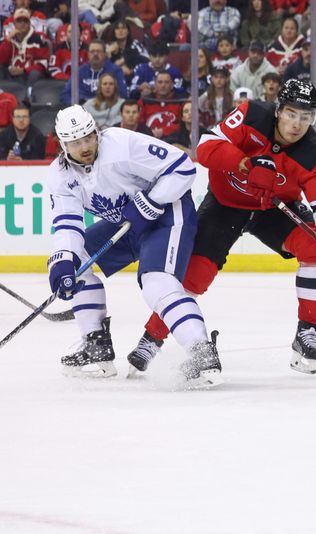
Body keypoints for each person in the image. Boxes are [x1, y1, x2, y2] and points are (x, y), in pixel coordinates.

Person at [127, 79, 316, 376]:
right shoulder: (252, 114)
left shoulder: (314, 154)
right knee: (195, 276)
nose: (297, 124)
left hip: (273, 210)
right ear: (278, 110)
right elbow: (206, 147)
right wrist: (246, 165)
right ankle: (151, 339)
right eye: (291, 114)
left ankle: (307, 332)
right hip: (226, 204)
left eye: (305, 117)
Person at [45, 105, 222, 386]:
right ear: (62, 144)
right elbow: (67, 224)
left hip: (167, 213)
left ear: (96, 132)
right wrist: (64, 261)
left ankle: (201, 351)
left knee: (156, 283)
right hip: (127, 223)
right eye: (75, 142)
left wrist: (151, 202)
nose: (85, 146)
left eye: (89, 137)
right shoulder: (61, 175)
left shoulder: (121, 144)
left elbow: (182, 167)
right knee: (74, 263)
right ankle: (96, 347)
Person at [285, 41, 316, 143]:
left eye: (311, 50)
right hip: (297, 102)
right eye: (305, 50)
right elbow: (286, 89)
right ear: (301, 52)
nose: (308, 53)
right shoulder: (293, 68)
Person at [60, 39, 128, 104]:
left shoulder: (115, 70)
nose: (95, 54)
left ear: (105, 54)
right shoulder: (79, 71)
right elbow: (65, 94)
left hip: (107, 110)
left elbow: (123, 95)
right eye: (92, 51)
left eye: (98, 51)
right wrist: (78, 104)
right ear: (88, 54)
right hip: (83, 110)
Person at [0, 7, 49, 84]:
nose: (22, 23)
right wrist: (8, 39)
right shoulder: (9, 39)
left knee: (34, 74)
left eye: (25, 21)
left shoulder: (39, 38)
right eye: (19, 21)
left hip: (28, 74)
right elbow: (2, 60)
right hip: (11, 73)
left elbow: (43, 64)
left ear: (29, 23)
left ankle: (29, 95)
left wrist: (23, 70)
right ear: (14, 24)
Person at [139, 71, 184, 139]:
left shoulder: (181, 101)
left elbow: (184, 125)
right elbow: (138, 123)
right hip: (147, 138)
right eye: (160, 82)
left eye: (166, 82)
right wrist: (149, 132)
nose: (163, 85)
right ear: (155, 85)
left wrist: (165, 131)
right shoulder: (144, 101)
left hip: (174, 140)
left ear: (172, 85)